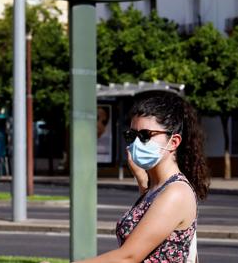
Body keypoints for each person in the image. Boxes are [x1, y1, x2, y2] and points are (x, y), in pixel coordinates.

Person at [76, 90, 210, 263]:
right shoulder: (157, 188)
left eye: (145, 136)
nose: (137, 143)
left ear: (174, 142)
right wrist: (141, 177)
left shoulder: (176, 193)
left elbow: (128, 257)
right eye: (132, 135)